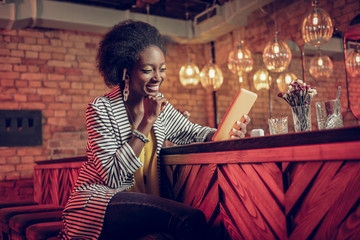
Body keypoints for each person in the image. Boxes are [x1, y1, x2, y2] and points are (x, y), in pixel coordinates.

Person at [59, 20, 250, 240]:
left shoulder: (162, 108)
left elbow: (193, 132)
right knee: (190, 219)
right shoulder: (101, 109)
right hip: (99, 205)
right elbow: (112, 177)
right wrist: (146, 122)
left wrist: (228, 130)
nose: (158, 77)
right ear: (125, 72)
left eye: (162, 69)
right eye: (148, 70)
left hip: (141, 208)